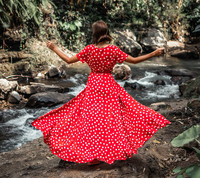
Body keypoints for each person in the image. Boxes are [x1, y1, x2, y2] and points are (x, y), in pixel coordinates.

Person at [31, 21, 170, 166]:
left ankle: (93, 156)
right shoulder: (113, 50)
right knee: (112, 120)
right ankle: (110, 152)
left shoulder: (89, 50)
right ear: (106, 33)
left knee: (92, 122)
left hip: (94, 85)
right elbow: (134, 61)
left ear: (95, 34)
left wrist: (54, 48)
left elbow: (68, 60)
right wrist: (153, 53)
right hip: (108, 85)